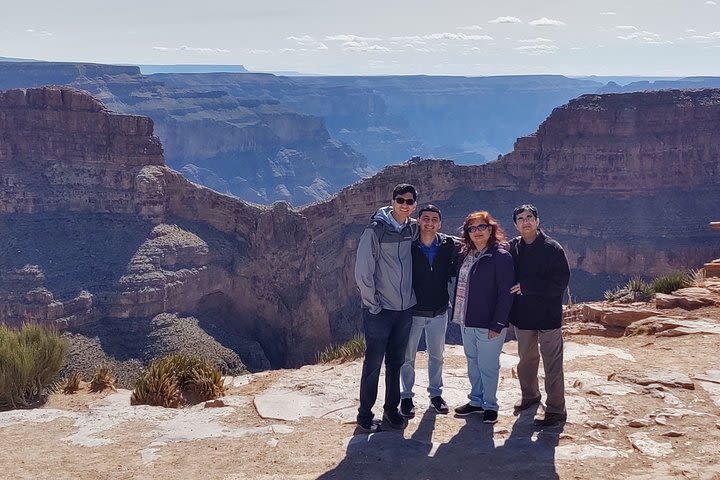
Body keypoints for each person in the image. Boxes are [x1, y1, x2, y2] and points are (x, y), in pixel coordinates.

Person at [354, 183, 418, 432]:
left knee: (396, 363)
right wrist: (373, 305)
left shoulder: (412, 228)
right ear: (392, 201)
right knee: (373, 364)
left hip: (405, 310)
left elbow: (437, 238)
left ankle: (391, 411)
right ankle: (365, 415)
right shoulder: (376, 230)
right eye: (400, 200)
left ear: (414, 205)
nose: (405, 204)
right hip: (380, 312)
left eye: (409, 201)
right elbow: (363, 271)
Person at [509, 204, 570, 427]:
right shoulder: (513, 247)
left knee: (552, 363)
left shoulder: (553, 248)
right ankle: (530, 396)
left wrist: (528, 286)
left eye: (529, 217)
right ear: (515, 224)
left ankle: (556, 410)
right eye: (520, 219)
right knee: (526, 360)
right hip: (523, 316)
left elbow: (560, 282)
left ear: (537, 221)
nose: (525, 222)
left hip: (548, 316)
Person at [451, 211, 515, 424]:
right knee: (473, 363)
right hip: (466, 319)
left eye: (481, 227)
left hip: (489, 323)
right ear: (467, 233)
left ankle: (490, 405)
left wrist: (498, 323)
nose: (477, 232)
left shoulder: (500, 256)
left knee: (488, 365)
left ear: (490, 229)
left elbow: (506, 293)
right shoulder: (466, 254)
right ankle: (476, 401)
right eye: (472, 228)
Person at [399, 204, 457, 418]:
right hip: (413, 311)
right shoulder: (409, 246)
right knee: (408, 357)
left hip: (439, 311)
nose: (430, 222)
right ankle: (406, 397)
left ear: (439, 223)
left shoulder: (447, 244)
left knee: (437, 355)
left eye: (434, 219)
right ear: (418, 221)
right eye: (426, 218)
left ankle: (435, 394)